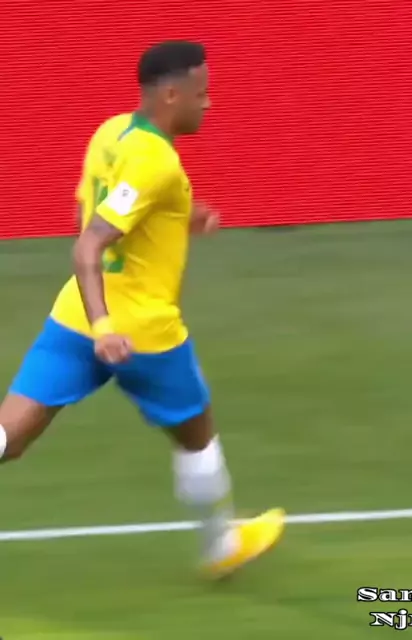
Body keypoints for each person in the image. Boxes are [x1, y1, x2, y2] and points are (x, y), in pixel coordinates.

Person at [0, 41, 284, 578]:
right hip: (138, 332)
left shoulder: (110, 133)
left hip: (73, 316)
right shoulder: (157, 161)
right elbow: (88, 243)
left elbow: (97, 211)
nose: (208, 103)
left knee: (9, 436)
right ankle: (220, 546)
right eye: (201, 93)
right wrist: (107, 327)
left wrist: (181, 215)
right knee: (196, 435)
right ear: (171, 94)